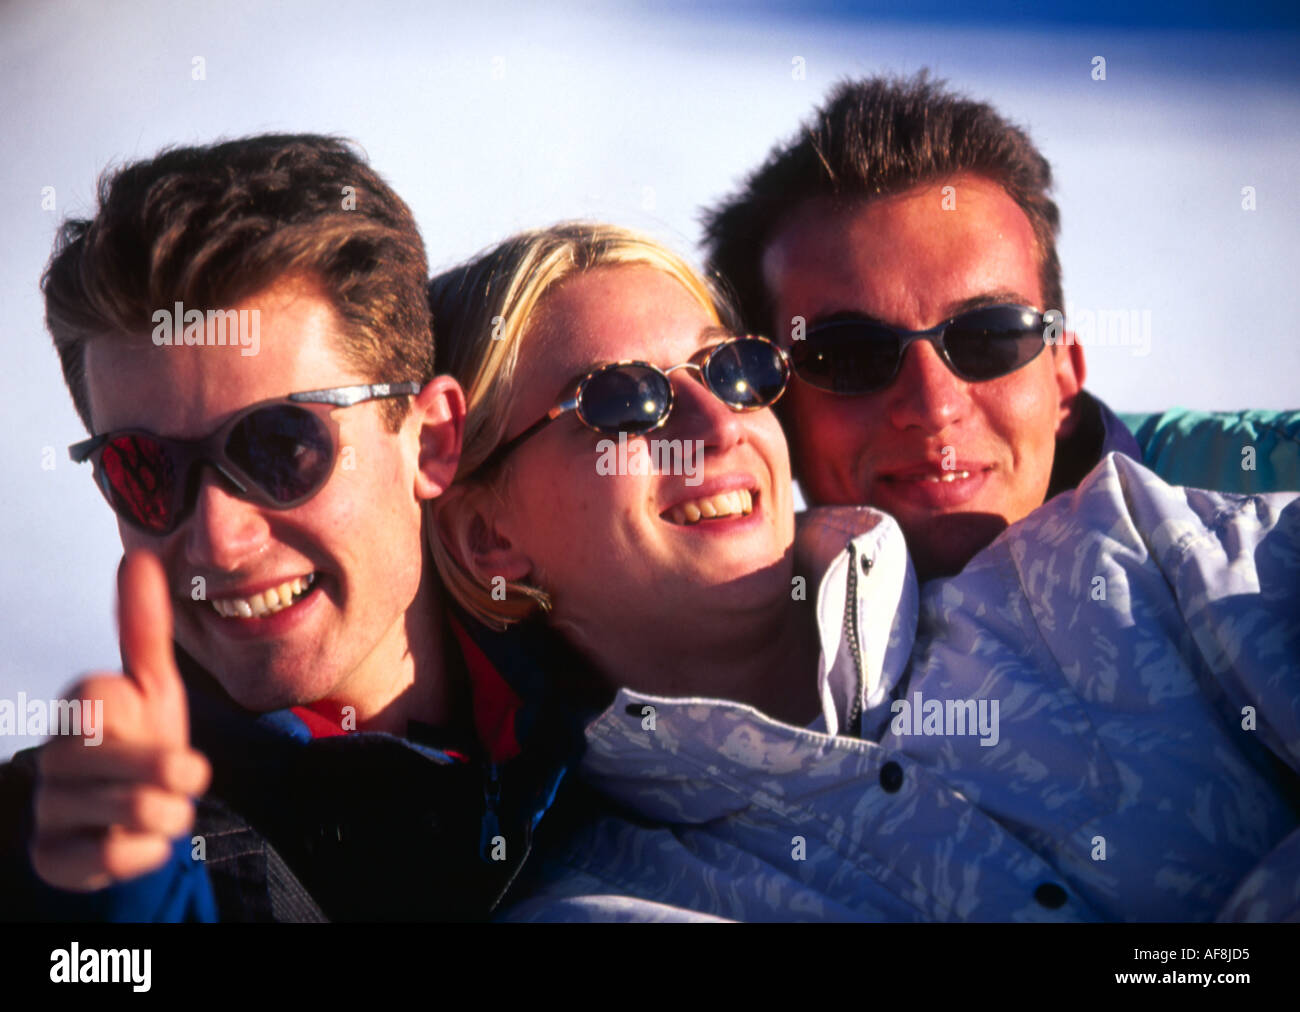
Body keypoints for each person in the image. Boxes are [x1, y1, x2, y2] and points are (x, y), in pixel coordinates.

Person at [427, 222, 1300, 922]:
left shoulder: (1128, 556)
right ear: (484, 538)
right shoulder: (615, 900)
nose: (719, 426)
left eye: (730, 371)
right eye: (622, 400)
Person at [0, 135, 546, 921]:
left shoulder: (635, 744)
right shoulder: (58, 845)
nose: (218, 538)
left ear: (430, 441)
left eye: (279, 446)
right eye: (143, 469)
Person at [702, 72, 1300, 581]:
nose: (934, 407)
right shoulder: (719, 665)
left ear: (1064, 370)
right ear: (772, 404)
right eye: (850, 356)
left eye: (987, 338)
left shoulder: (1264, 556)